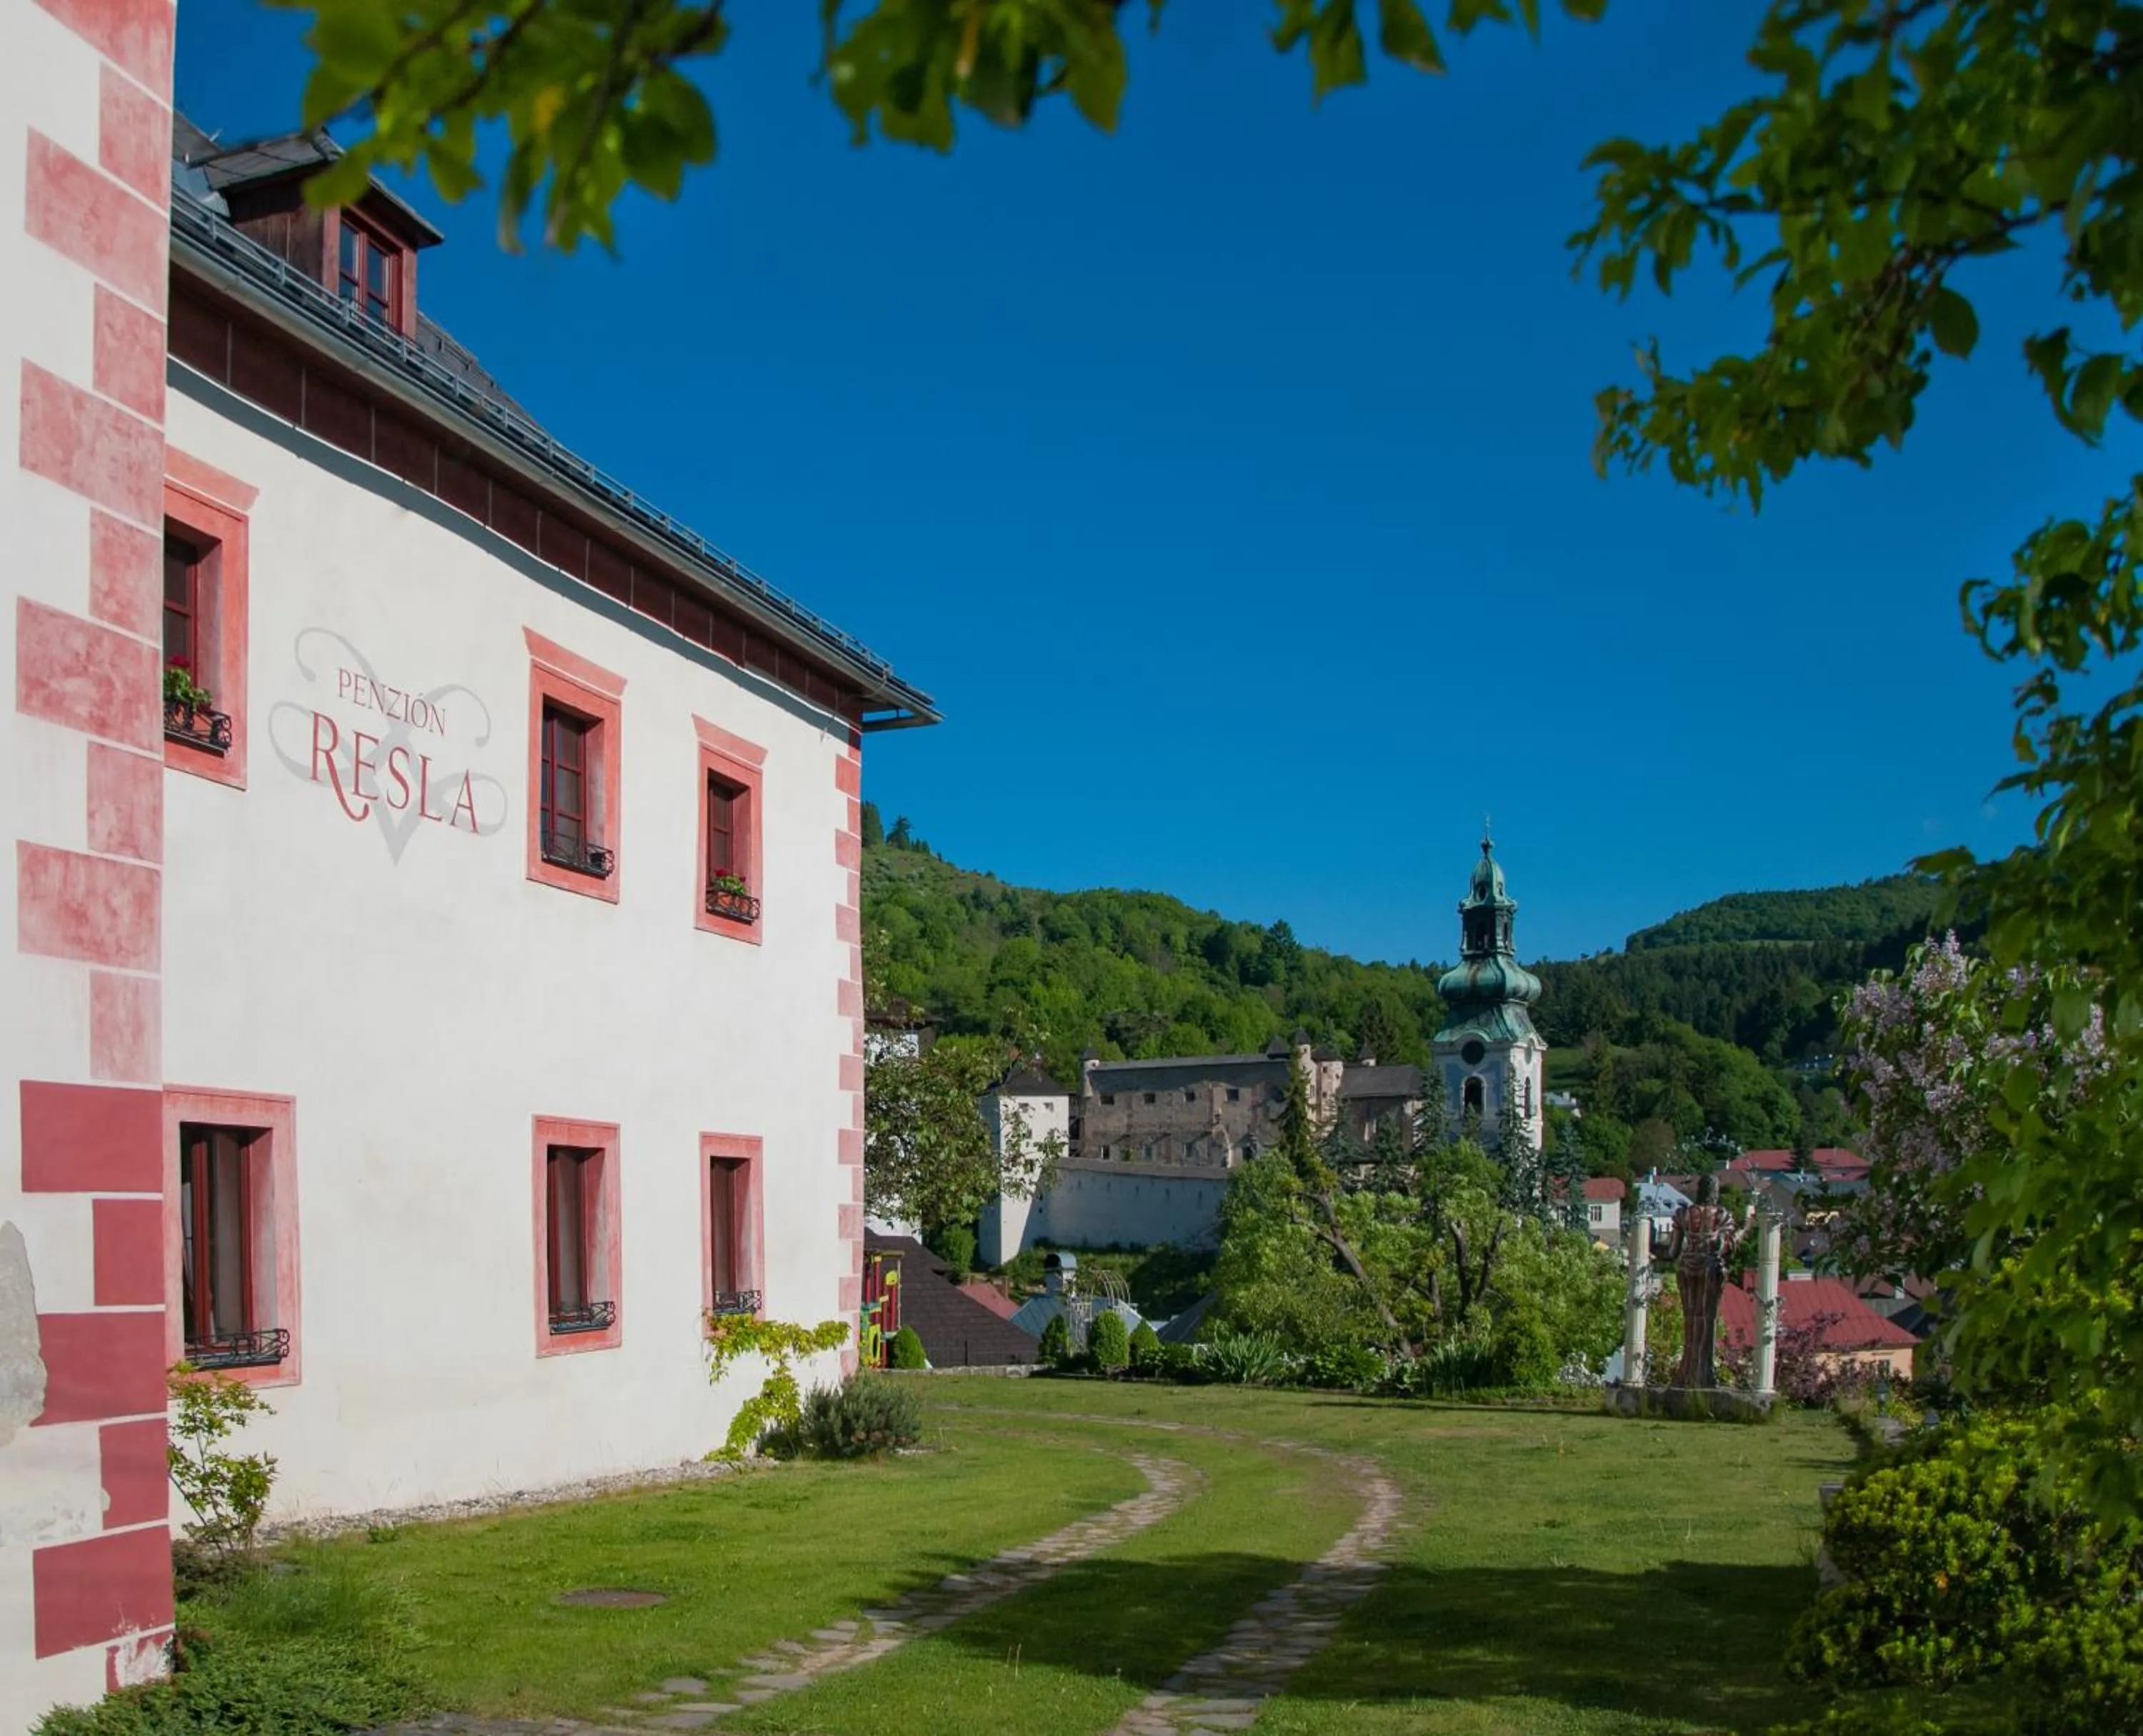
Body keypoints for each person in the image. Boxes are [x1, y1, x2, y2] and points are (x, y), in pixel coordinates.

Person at [1667, 1172, 1741, 1389]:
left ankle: (1688, 1369)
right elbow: (1724, 1247)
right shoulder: (1722, 1216)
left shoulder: (1683, 1214)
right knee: (1707, 1319)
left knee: (1691, 1317)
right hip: (1710, 1268)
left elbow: (1673, 1251)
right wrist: (1746, 1226)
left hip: (1687, 1268)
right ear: (1715, 1192)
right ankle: (1702, 1372)